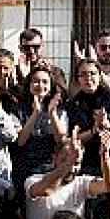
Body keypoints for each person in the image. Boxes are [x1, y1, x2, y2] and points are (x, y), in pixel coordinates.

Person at [23, 132, 110, 219]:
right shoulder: (33, 180)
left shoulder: (82, 183)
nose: (73, 168)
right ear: (54, 158)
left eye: (77, 162)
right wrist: (69, 162)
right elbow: (47, 190)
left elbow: (109, 185)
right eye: (64, 159)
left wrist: (105, 156)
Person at [12, 66, 68, 197]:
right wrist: (35, 113)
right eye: (35, 81)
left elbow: (61, 140)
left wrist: (52, 114)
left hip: (50, 167)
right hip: (25, 168)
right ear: (29, 85)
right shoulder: (18, 109)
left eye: (45, 82)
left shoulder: (59, 111)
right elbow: (20, 141)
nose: (40, 85)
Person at [65, 58, 110, 174]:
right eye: (83, 75)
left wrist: (108, 125)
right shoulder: (72, 105)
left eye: (92, 73)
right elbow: (71, 139)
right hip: (84, 164)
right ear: (78, 79)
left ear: (100, 76)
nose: (88, 78)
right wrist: (94, 130)